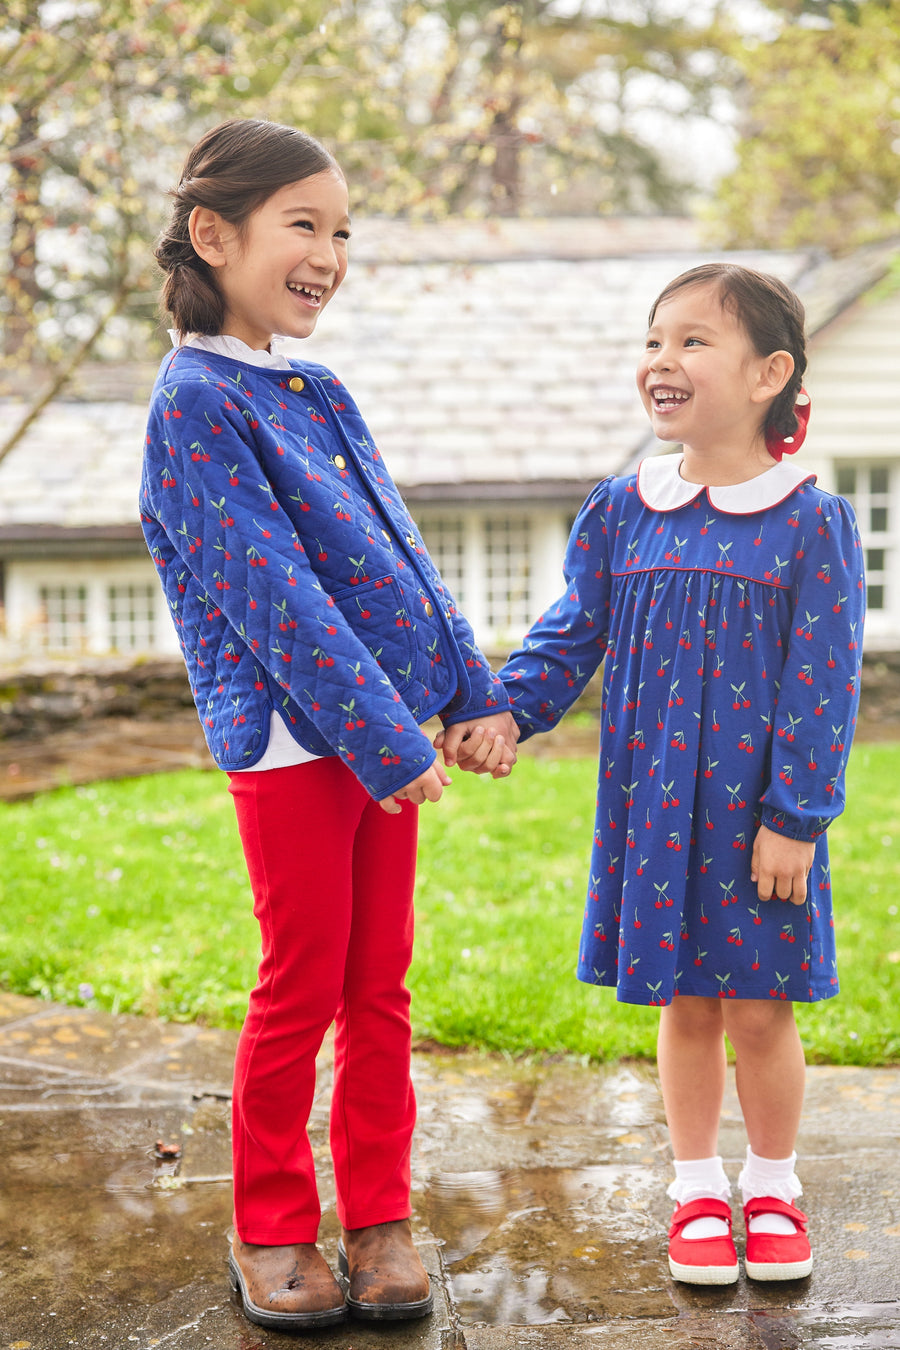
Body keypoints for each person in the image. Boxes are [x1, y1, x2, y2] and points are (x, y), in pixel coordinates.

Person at [140, 117, 518, 1331]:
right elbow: (274, 599)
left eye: (342, 231)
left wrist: (469, 689)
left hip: (382, 739)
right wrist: (390, 741)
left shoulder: (319, 388)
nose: (331, 253)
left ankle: (381, 1216)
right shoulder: (195, 403)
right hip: (301, 748)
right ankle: (271, 1225)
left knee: (382, 987)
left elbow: (401, 555)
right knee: (300, 986)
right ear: (216, 233)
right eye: (305, 224)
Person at [449, 263, 865, 1286]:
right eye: (652, 341)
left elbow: (824, 682)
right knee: (685, 1002)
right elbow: (570, 635)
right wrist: (508, 710)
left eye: (691, 342)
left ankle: (771, 1185)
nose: (661, 361)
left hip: (758, 818)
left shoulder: (808, 522)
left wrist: (797, 818)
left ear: (770, 373)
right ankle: (693, 1189)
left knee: (762, 1006)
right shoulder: (621, 511)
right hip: (659, 807)